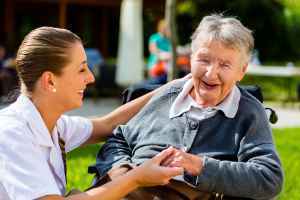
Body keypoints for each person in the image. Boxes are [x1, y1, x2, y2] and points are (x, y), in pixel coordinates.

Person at [91, 14, 283, 199]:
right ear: (191, 59)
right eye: (204, 60)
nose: (210, 73)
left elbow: (269, 177)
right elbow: (119, 138)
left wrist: (200, 166)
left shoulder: (249, 113)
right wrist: (123, 172)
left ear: (241, 71)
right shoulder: (167, 95)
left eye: (224, 65)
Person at [0, 27, 184, 200]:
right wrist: (136, 178)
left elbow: (108, 124)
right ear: (50, 81)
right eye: (81, 69)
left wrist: (173, 88)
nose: (91, 77)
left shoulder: (53, 124)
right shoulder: (12, 133)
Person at [146, 19, 171, 85]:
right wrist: (164, 54)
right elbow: (153, 50)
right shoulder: (155, 37)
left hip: (166, 67)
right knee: (154, 85)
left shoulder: (169, 40)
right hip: (155, 64)